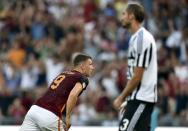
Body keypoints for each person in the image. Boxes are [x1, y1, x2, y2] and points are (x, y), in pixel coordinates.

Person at [20, 53, 94, 131]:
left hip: (34, 110)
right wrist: (68, 118)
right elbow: (73, 95)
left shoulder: (63, 73)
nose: (92, 67)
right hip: (50, 114)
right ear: (82, 66)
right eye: (90, 64)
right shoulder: (82, 78)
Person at [113, 2, 157, 131]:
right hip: (137, 98)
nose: (121, 17)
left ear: (131, 16)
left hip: (142, 98)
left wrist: (121, 97)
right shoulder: (134, 38)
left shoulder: (142, 38)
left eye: (124, 14)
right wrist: (129, 99)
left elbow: (137, 75)